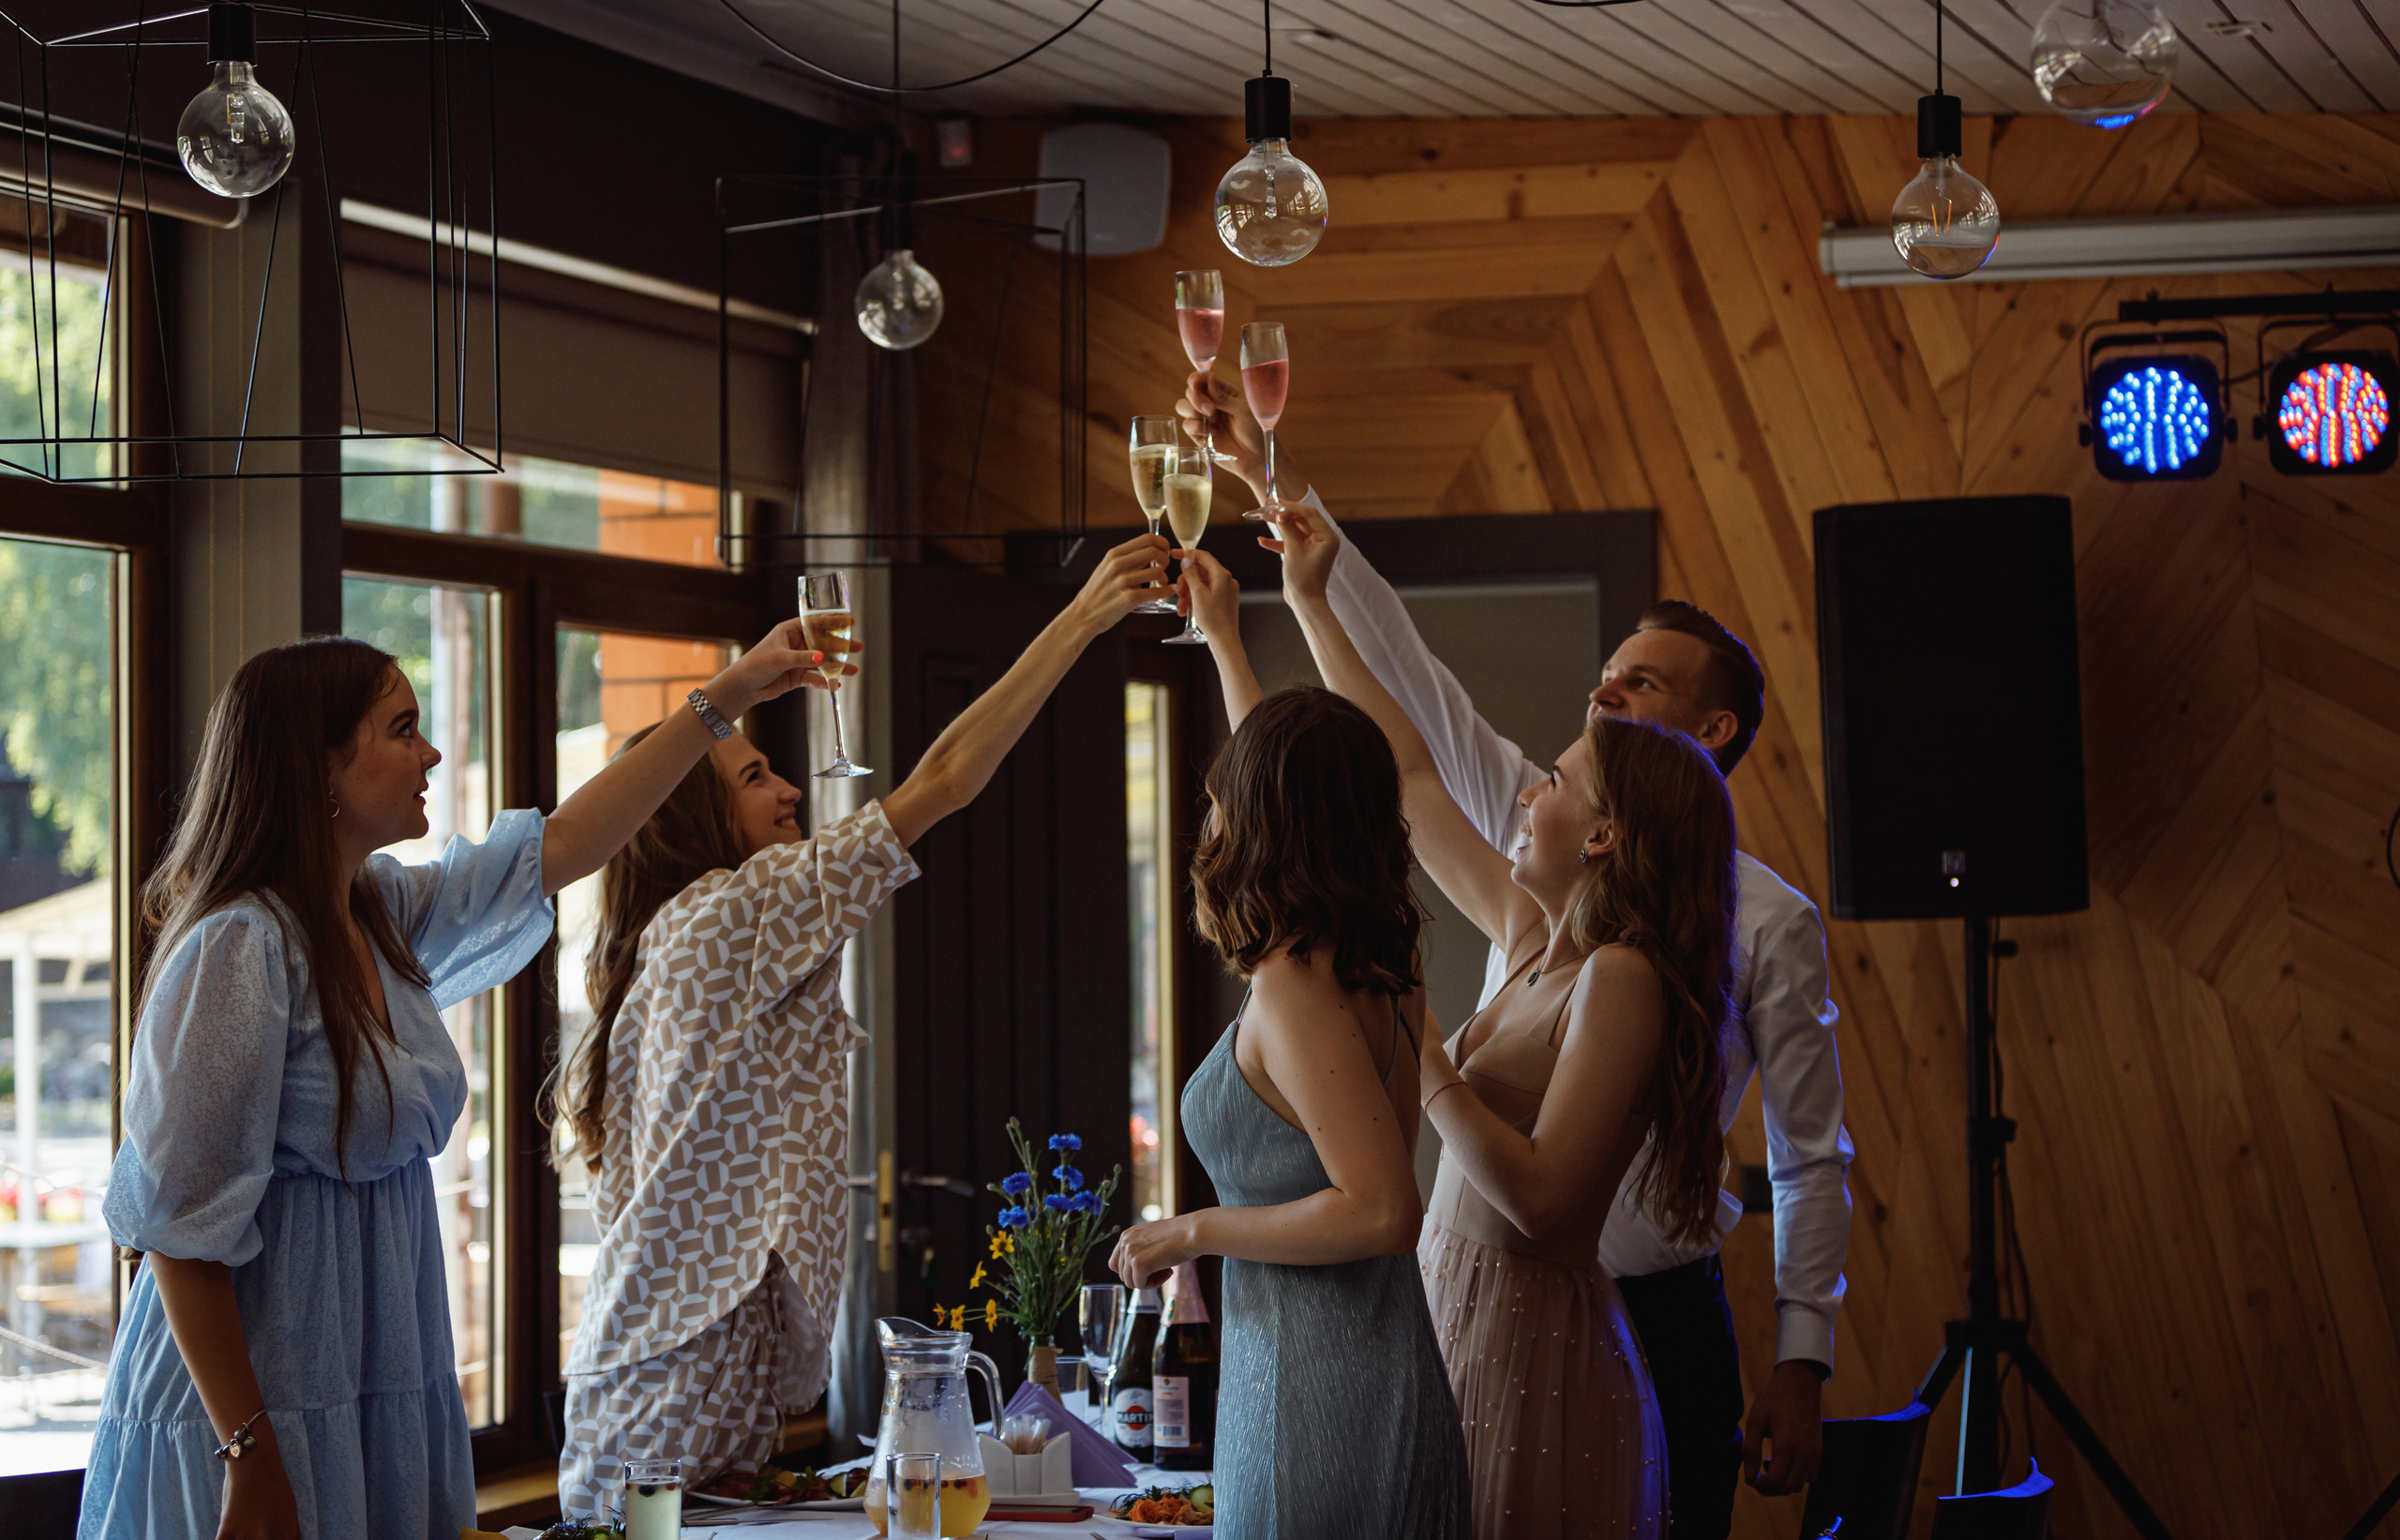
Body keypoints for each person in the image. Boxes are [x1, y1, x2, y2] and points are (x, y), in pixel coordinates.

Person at [1182, 376, 1853, 1534]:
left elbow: (1800, 1158)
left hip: (1614, 1308)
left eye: (1635, 686)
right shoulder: (1538, 917)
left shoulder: (1716, 940)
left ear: (1703, 738)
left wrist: (1804, 1356)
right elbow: (1405, 738)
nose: (1597, 696)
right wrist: (1288, 542)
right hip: (1463, 1303)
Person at [82, 624, 834, 1540]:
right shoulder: (239, 948)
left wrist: (732, 691)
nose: (431, 751)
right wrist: (249, 1452)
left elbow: (564, 844)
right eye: (402, 729)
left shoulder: (382, 914)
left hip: (374, 1385)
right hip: (255, 1413)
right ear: (318, 767)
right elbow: (179, 1234)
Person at [555, 535, 1172, 1516]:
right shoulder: (733, 914)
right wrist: (1083, 618)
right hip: (663, 1415)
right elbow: (944, 780)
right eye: (754, 776)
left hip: (675, 1403)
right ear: (687, 820)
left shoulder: (673, 940)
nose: (789, 787)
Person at [1110, 665, 1470, 1540]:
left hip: (1317, 1391)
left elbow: (1383, 1208)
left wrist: (1187, 1230)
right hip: (1368, 1365)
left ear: (1267, 817)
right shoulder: (1383, 956)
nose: (1213, 817)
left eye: (1226, 795)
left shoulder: (1293, 985)